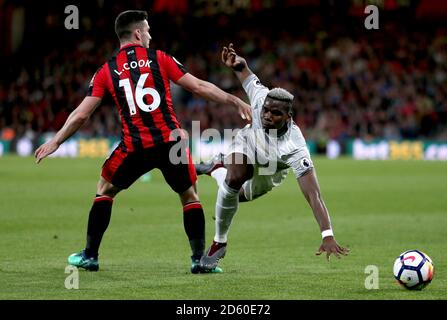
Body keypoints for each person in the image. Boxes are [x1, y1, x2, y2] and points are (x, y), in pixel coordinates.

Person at [34, 11, 252, 274]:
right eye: (147, 30)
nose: (149, 35)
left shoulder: (106, 70)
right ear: (137, 33)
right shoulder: (160, 58)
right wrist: (235, 100)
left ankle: (90, 255)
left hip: (135, 145)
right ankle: (199, 260)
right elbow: (198, 87)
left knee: (104, 190)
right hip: (171, 141)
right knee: (189, 195)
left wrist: (56, 141)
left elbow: (82, 114)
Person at [197, 44, 349, 270]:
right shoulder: (260, 98)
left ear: (288, 117)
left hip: (270, 171)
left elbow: (314, 195)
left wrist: (327, 234)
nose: (267, 115)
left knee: (235, 195)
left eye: (275, 113)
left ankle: (217, 168)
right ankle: (219, 242)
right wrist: (238, 64)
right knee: (236, 177)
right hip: (247, 144)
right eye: (266, 110)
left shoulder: (295, 148)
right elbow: (245, 72)